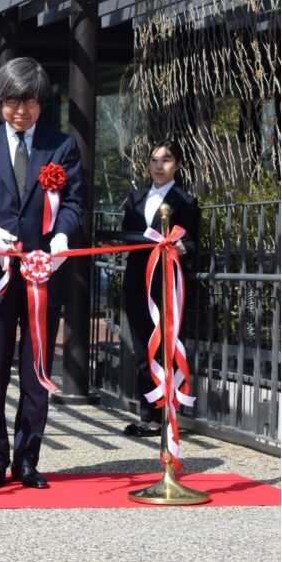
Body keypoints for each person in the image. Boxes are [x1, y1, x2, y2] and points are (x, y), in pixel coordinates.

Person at [0, 57, 85, 489]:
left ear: (41, 103)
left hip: (43, 276)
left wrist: (62, 236)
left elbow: (74, 203)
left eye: (28, 102)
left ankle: (27, 459)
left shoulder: (61, 147)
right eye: (12, 102)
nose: (20, 111)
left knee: (35, 373)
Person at [119, 140, 200, 437]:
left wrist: (178, 247)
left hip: (166, 282)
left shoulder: (185, 201)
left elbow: (193, 243)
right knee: (142, 349)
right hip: (136, 280)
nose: (158, 166)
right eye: (154, 160)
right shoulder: (136, 197)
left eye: (165, 160)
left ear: (176, 164)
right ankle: (148, 415)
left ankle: (167, 414)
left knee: (165, 347)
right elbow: (127, 234)